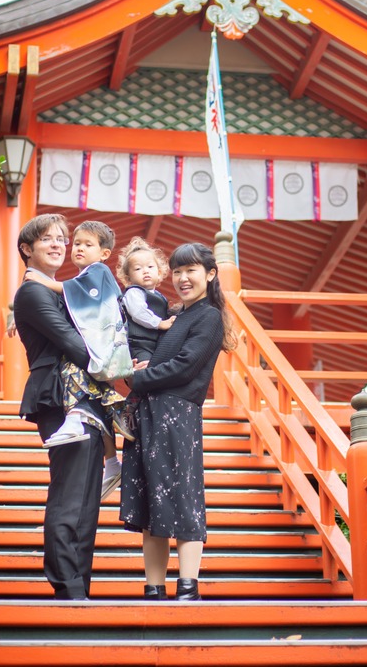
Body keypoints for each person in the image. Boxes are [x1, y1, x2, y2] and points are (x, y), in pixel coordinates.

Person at [119, 242, 237, 601]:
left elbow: (185, 367)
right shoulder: (171, 315)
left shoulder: (208, 316)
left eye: (191, 270)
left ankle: (188, 588)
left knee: (183, 497)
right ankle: (153, 589)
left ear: (210, 274)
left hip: (177, 414)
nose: (183, 278)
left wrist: (137, 377)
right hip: (148, 413)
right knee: (150, 502)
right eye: (178, 271)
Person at [12, 214, 102, 601]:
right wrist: (119, 366)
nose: (58, 244)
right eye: (47, 238)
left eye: (62, 239)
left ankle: (79, 587)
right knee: (71, 492)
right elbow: (75, 344)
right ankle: (68, 586)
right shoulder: (33, 293)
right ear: (26, 249)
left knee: (86, 498)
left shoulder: (57, 291)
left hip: (83, 396)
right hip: (59, 396)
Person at [23, 220, 133, 500]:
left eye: (87, 244)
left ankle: (78, 421)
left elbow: (72, 293)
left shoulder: (97, 272)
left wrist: (45, 282)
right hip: (99, 350)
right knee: (98, 402)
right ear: (26, 249)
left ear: (104, 253)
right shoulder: (86, 276)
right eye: (77, 243)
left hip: (102, 347)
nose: (77, 248)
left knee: (75, 373)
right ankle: (112, 461)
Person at [116, 236, 176, 363]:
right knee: (146, 367)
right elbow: (138, 312)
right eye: (138, 268)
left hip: (156, 344)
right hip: (139, 344)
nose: (145, 271)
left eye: (150, 267)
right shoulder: (133, 292)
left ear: (159, 272)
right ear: (128, 278)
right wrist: (160, 323)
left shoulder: (160, 297)